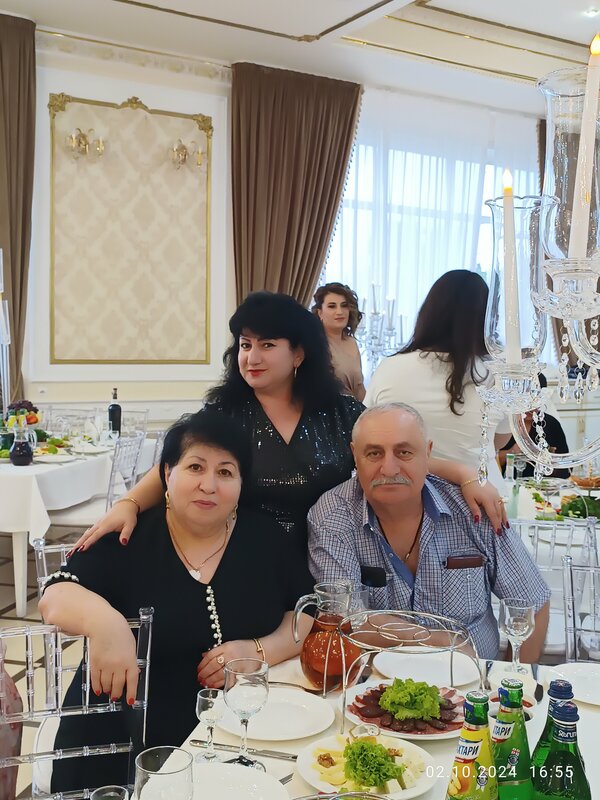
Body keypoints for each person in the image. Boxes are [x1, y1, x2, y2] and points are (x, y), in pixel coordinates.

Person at [73, 292, 508, 558]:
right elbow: (173, 468)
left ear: (298, 354)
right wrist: (128, 504)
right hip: (243, 560)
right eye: (245, 345)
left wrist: (466, 475)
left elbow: (392, 456)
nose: (251, 357)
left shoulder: (339, 413)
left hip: (335, 558)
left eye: (267, 345)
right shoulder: (225, 414)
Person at [39, 411, 314, 792]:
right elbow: (55, 595)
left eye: (225, 472)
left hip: (237, 736)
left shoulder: (264, 538)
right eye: (195, 467)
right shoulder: (129, 536)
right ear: (167, 474)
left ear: (241, 484)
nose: (208, 485)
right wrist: (106, 622)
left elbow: (305, 610)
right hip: (121, 740)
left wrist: (259, 650)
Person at [308, 403, 550, 660]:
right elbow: (343, 618)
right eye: (374, 454)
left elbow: (531, 604)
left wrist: (513, 679)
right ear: (355, 456)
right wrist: (435, 641)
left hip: (473, 678)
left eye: (404, 452)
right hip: (374, 678)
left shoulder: (473, 509)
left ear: (427, 453)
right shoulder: (333, 517)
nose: (389, 469)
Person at [365, 270, 512, 491]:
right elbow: (500, 440)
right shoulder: (498, 373)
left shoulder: (390, 368)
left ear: (428, 313)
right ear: (487, 318)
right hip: (482, 493)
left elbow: (369, 432)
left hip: (409, 493)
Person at [498, 374, 570, 479]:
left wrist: (551, 462)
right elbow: (489, 462)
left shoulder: (551, 424)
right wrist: (512, 451)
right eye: (525, 399)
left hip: (541, 487)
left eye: (536, 400)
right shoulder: (503, 423)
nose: (531, 406)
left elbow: (566, 470)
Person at [312, 282, 365, 402]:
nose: (339, 311)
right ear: (320, 313)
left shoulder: (351, 342)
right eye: (332, 306)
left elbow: (360, 388)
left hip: (357, 408)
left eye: (344, 305)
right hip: (329, 409)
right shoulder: (315, 344)